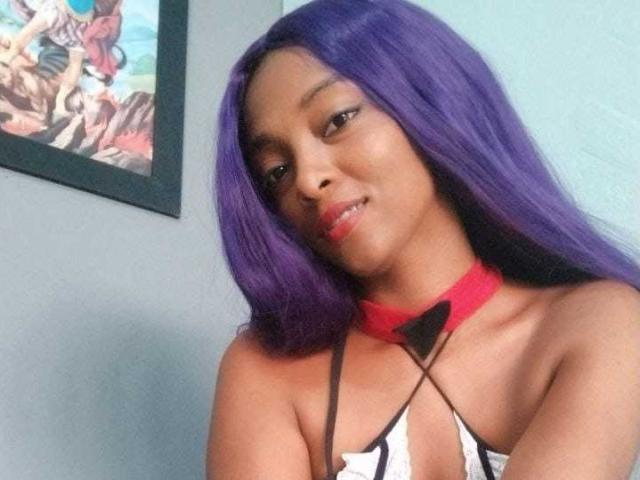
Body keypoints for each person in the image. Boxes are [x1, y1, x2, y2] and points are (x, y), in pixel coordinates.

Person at [207, 1, 640, 479]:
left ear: (429, 101)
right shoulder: (265, 370)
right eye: (277, 171)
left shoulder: (599, 322)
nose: (308, 180)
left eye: (337, 120)